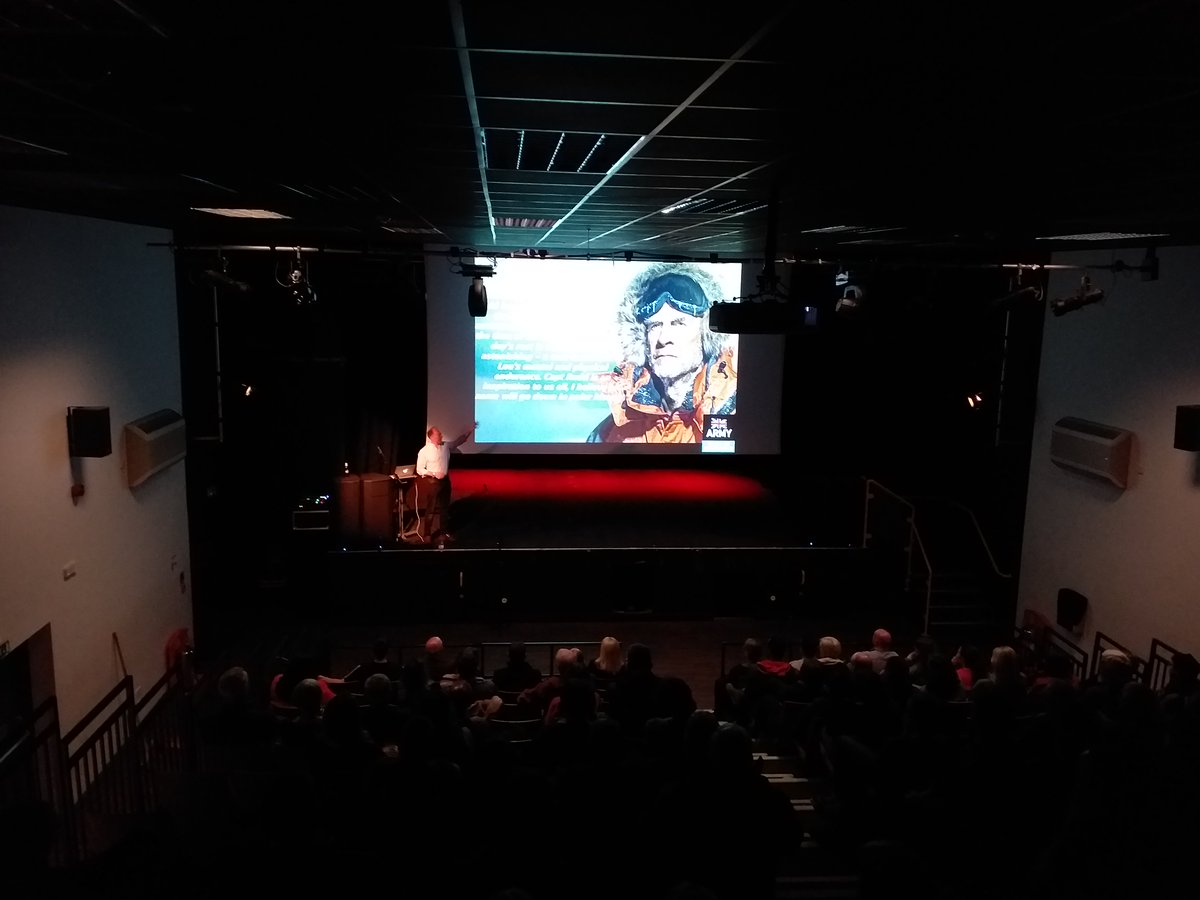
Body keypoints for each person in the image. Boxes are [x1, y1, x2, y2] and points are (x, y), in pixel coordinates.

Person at [587, 263, 736, 443]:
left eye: (678, 323)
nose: (664, 338)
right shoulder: (611, 430)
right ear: (641, 338)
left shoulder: (736, 410)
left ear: (707, 333)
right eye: (655, 325)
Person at [414, 422, 474, 541]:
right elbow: (419, 469)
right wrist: (434, 473)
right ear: (431, 437)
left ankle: (444, 533)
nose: (441, 436)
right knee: (430, 509)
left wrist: (470, 430)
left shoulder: (445, 446)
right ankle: (427, 534)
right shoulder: (424, 451)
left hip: (446, 482)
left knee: (444, 508)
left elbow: (459, 441)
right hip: (433, 483)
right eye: (438, 434)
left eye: (440, 434)